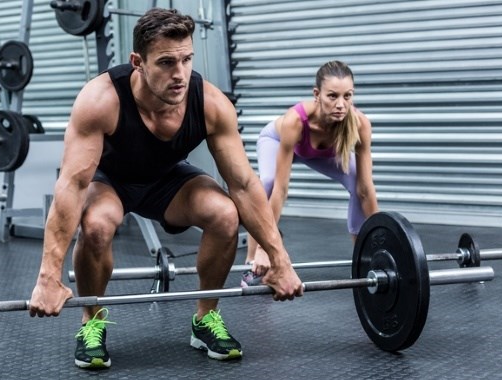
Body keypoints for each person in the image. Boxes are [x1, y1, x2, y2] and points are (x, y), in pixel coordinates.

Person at [28, 8, 303, 370]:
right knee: (95, 225)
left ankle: (205, 318)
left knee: (225, 215)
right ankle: (91, 322)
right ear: (137, 62)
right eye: (167, 62)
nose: (180, 74)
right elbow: (73, 184)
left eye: (187, 59)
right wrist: (48, 276)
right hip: (110, 181)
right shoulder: (101, 100)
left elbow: (243, 183)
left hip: (165, 180)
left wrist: (279, 259)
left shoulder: (210, 104)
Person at [241, 60, 379, 287]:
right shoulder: (295, 121)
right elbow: (281, 189)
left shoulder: (359, 124)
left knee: (357, 183)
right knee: (268, 182)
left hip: (318, 153)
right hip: (277, 140)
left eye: (348, 96)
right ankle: (255, 257)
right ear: (317, 94)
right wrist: (269, 247)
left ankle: (365, 254)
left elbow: (366, 189)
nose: (341, 105)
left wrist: (382, 240)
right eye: (332, 96)